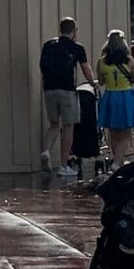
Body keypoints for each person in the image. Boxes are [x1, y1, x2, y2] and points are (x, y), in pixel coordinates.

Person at [37, 17, 92, 183]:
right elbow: (85, 68)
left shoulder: (48, 45)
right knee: (68, 127)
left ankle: (46, 150)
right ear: (74, 31)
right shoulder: (77, 47)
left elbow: (42, 66)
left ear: (60, 29)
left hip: (49, 89)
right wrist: (92, 83)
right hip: (67, 90)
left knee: (54, 124)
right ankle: (63, 165)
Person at [94, 29, 134, 169]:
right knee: (126, 133)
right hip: (126, 97)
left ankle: (117, 163)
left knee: (113, 133)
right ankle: (117, 162)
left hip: (110, 96)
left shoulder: (102, 62)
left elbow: (102, 81)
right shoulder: (129, 60)